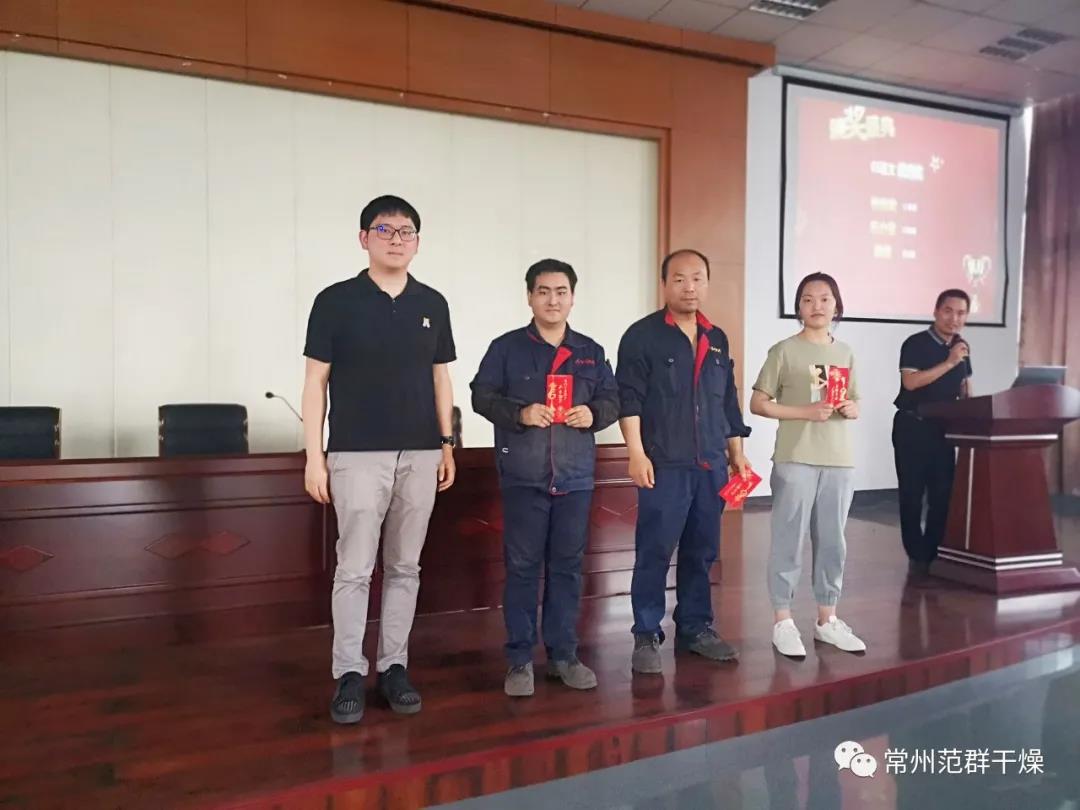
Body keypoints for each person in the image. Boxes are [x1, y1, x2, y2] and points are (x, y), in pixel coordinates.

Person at [301, 195, 457, 724]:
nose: (396, 239)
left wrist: (446, 442)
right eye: (384, 229)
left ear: (418, 242)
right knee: (354, 568)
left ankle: (394, 666)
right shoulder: (335, 301)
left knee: (405, 566)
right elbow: (315, 382)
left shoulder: (432, 303)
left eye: (406, 231)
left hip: (420, 452)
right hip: (356, 453)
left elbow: (440, 377)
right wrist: (314, 456)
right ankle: (349, 671)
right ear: (364, 238)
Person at [471, 259, 619, 697]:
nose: (552, 300)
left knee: (567, 568)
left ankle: (563, 655)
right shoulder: (507, 348)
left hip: (575, 477)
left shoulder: (591, 351)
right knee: (521, 569)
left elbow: (613, 399)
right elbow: (481, 395)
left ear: (572, 297)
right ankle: (519, 659)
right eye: (543, 291)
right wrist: (519, 413)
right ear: (529, 297)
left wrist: (594, 413)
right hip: (524, 476)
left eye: (561, 292)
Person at [616, 249, 752, 675]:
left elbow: (727, 401)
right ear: (664, 284)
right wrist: (636, 453)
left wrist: (736, 454)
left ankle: (695, 627)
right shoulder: (642, 336)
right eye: (679, 279)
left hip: (710, 465)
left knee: (702, 551)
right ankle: (646, 632)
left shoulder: (718, 338)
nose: (689, 287)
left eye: (697, 278)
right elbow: (628, 399)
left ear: (707, 284)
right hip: (664, 464)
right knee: (655, 550)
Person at [750, 272, 866, 657]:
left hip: (839, 460)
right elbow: (758, 403)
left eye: (825, 298)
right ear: (798, 307)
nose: (817, 306)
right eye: (807, 299)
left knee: (833, 541)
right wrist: (805, 411)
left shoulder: (846, 352)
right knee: (789, 537)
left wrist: (851, 408)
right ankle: (783, 620)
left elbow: (855, 400)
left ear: (837, 306)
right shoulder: (784, 351)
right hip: (796, 456)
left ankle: (826, 620)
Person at [893, 289, 972, 577]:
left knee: (943, 494)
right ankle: (917, 555)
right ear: (936, 312)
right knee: (912, 494)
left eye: (961, 313)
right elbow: (911, 382)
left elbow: (965, 388)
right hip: (912, 428)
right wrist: (949, 362)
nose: (954, 318)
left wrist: (974, 406)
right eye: (948, 311)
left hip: (943, 430)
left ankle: (934, 551)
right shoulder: (916, 343)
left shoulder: (961, 347)